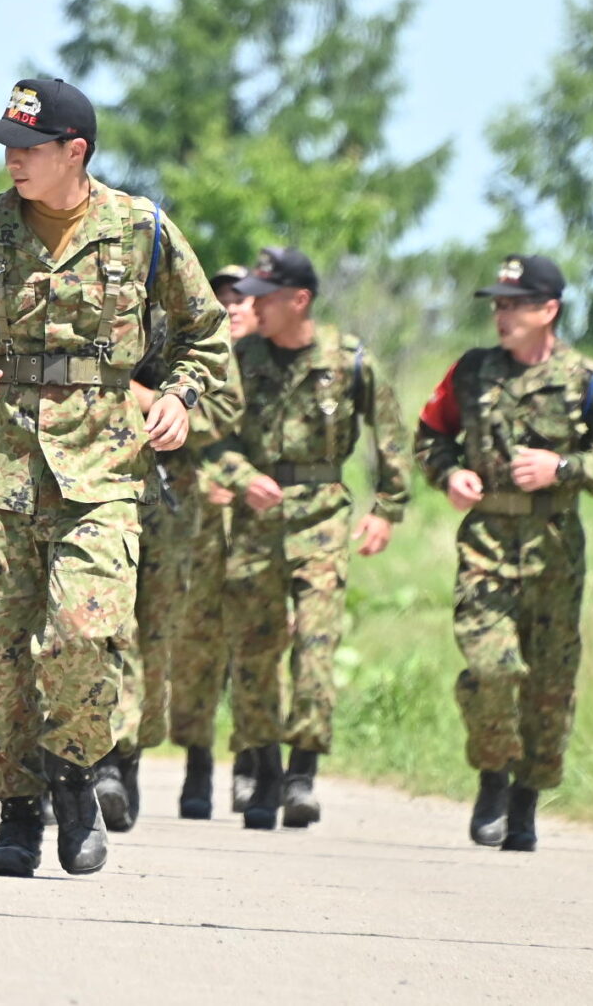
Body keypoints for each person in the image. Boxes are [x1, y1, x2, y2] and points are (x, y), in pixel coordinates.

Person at [0, 78, 232, 879]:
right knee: (2, 654)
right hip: (5, 470)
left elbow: (206, 336)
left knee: (83, 631)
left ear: (74, 151)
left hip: (106, 471)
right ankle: (17, 814)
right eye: (4, 145)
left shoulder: (142, 230)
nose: (10, 159)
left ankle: (77, 781)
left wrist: (180, 397)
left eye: (27, 147)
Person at [414, 254, 593, 853]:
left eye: (514, 304)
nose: (501, 314)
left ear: (549, 310)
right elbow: (430, 436)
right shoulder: (471, 372)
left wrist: (562, 467)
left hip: (555, 553)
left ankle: (526, 799)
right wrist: (450, 475)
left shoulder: (585, 381)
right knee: (492, 669)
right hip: (486, 545)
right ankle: (492, 775)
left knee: (548, 686)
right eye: (497, 304)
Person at [202, 247, 408, 830]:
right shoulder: (239, 359)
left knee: (316, 647)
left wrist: (387, 507)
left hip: (321, 517)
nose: (253, 305)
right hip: (256, 522)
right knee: (254, 654)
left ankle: (303, 774)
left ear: (299, 301)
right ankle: (262, 771)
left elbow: (389, 434)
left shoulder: (349, 361)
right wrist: (242, 477)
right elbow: (210, 435)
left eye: (265, 296)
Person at [159, 266, 252, 819]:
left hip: (266, 525)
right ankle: (198, 762)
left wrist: (236, 477)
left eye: (243, 299)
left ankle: (256, 765)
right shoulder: (190, 351)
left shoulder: (276, 362)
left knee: (254, 651)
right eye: (223, 299)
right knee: (196, 645)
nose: (233, 307)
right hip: (199, 523)